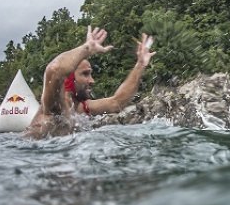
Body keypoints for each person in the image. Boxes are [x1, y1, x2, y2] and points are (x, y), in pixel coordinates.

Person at [25, 26, 155, 139]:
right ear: (70, 78)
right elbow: (54, 70)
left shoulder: (79, 108)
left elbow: (116, 103)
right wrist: (86, 48)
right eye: (85, 74)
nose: (92, 81)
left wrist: (141, 64)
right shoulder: (53, 106)